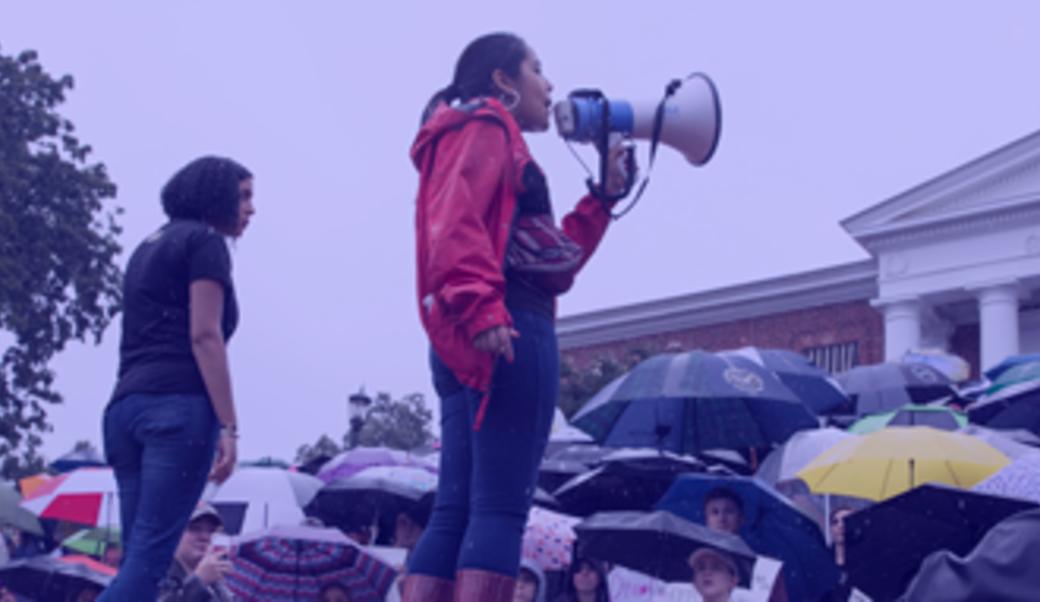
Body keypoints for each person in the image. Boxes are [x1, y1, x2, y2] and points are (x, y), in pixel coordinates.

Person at [402, 32, 630, 602]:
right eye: (536, 68)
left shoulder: (456, 133)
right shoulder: (488, 124)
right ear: (503, 80)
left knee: (454, 510)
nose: (548, 85)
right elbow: (461, 224)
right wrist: (484, 307)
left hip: (460, 329)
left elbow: (548, 258)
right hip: (507, 327)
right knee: (500, 510)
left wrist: (600, 199)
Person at [98, 156, 254, 601]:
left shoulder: (147, 247)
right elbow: (205, 336)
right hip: (177, 409)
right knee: (148, 565)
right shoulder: (205, 243)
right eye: (243, 196)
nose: (251, 209)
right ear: (215, 194)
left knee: (139, 564)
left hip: (124, 411)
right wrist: (229, 426)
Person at [702, 488, 788, 602]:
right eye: (714, 512)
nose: (721, 518)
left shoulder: (765, 568)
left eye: (729, 511)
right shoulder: (695, 565)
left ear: (741, 519)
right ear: (707, 521)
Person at [156, 502, 234, 601]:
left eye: (211, 531)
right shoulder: (157, 574)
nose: (205, 537)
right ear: (173, 532)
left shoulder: (215, 583)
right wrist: (199, 582)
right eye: (194, 528)